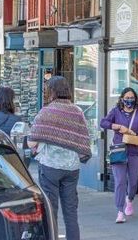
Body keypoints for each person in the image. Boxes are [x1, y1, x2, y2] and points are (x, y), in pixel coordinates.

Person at [27, 76, 91, 240]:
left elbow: (32, 141)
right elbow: (84, 137)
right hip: (71, 168)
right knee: (71, 212)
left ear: (51, 91)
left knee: (50, 209)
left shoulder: (46, 111)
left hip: (50, 167)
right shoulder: (77, 111)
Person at [100, 87, 138, 223]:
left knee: (133, 181)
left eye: (132, 97)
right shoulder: (116, 112)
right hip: (119, 151)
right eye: (127, 97)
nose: (129, 100)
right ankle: (120, 211)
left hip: (135, 151)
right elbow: (103, 122)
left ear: (135, 99)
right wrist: (117, 127)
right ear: (122, 98)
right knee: (120, 181)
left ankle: (130, 199)